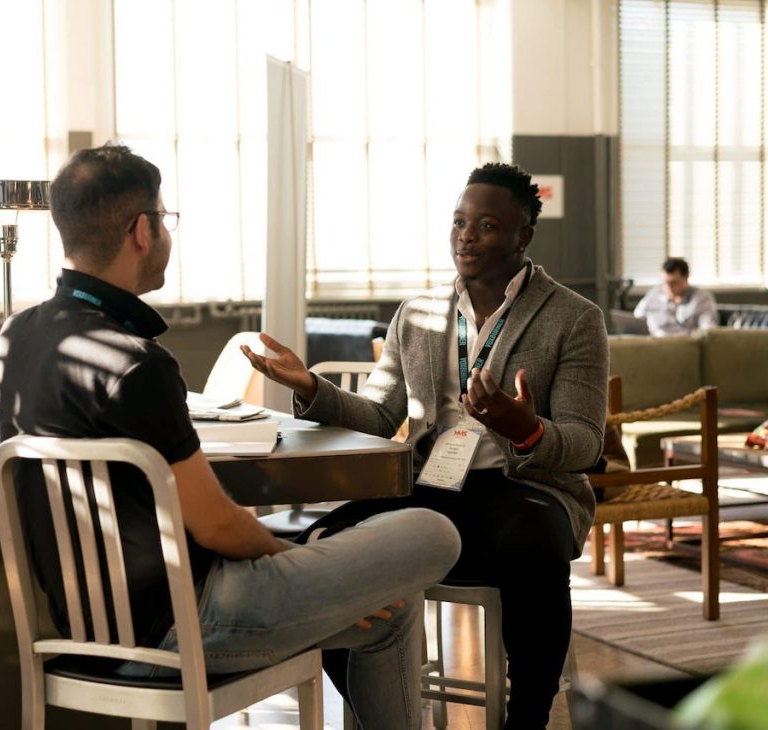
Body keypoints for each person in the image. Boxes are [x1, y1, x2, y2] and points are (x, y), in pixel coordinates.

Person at [0, 143, 461, 730]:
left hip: (81, 633)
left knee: (390, 608)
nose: (166, 233)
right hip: (188, 626)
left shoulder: (17, 336)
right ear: (142, 230)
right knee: (432, 530)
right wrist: (298, 559)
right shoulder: (138, 363)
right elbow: (214, 523)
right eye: (165, 219)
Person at [243, 162, 608, 729]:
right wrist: (312, 388)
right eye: (459, 222)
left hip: (527, 488)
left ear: (523, 237)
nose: (466, 235)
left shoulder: (574, 318)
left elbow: (585, 443)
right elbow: (383, 415)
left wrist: (524, 429)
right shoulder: (415, 315)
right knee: (328, 543)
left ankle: (528, 716)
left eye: (486, 224)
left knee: (532, 545)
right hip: (432, 485)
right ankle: (379, 712)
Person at [633, 257, 718, 336]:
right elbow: (636, 319)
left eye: (674, 283)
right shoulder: (655, 294)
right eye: (666, 282)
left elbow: (708, 331)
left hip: (684, 345)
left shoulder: (702, 298)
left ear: (686, 277)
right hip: (654, 343)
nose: (669, 288)